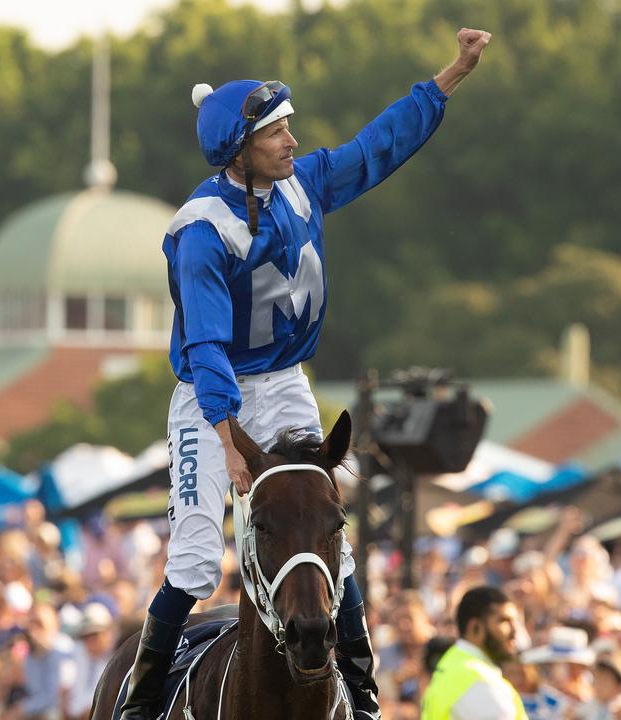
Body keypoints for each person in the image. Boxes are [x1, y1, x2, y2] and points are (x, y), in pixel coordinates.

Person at [120, 25, 492, 720]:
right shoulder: (201, 232)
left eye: (290, 128)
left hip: (286, 380)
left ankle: (366, 694)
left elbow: (380, 146)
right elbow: (205, 347)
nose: (292, 141)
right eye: (277, 133)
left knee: (326, 531)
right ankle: (138, 704)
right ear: (240, 149)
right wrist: (231, 440)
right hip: (212, 397)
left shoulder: (304, 185)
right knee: (199, 561)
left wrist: (452, 76)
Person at [420, 586, 526, 720]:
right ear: (475, 627)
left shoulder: (452, 664)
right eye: (503, 621)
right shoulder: (480, 683)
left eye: (515, 621)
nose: (515, 630)